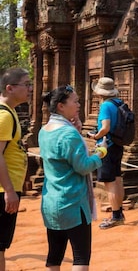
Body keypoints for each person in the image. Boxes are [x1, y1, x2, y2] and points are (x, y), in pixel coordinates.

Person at [39, 85, 106, 270]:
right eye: (75, 101)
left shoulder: (44, 131)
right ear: (61, 106)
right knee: (80, 257)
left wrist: (75, 131)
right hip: (73, 202)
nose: (78, 104)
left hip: (51, 201)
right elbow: (83, 167)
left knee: (54, 255)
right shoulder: (68, 134)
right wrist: (100, 153)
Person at [0, 69, 30, 271]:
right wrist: (9, 190)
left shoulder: (8, 113)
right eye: (26, 84)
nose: (30, 88)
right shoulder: (5, 116)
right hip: (3, 189)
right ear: (10, 88)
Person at [87, 77, 126, 229]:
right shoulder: (119, 103)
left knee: (109, 183)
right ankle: (119, 212)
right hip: (117, 144)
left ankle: (116, 216)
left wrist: (95, 136)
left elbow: (105, 127)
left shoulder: (105, 106)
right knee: (117, 179)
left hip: (106, 146)